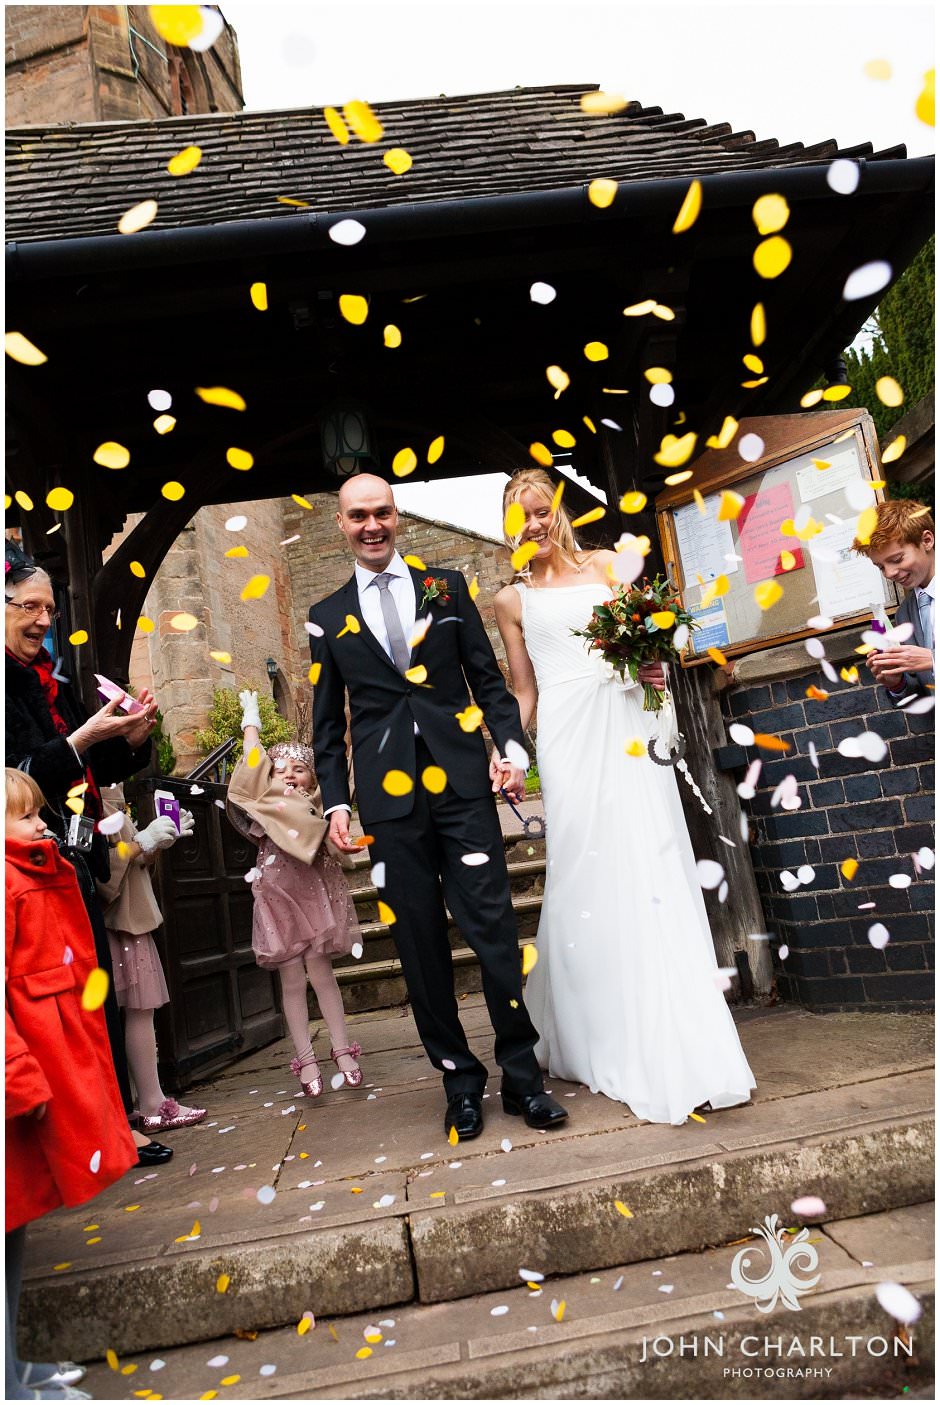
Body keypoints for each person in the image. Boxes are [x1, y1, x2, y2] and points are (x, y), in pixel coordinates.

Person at [493, 468, 756, 1125]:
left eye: (541, 511)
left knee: (650, 862)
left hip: (629, 724)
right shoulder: (512, 600)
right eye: (521, 517)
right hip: (568, 739)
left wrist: (654, 664)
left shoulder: (610, 565)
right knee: (584, 871)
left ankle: (671, 1028)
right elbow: (524, 691)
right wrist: (509, 753)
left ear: (558, 512)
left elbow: (656, 645)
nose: (533, 525)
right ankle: (594, 1026)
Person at [308, 472, 568, 1139]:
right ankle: (460, 1082)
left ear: (397, 515)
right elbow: (327, 728)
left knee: (495, 933)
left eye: (382, 512)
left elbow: (489, 681)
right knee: (419, 945)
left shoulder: (446, 588)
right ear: (341, 523)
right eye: (359, 515)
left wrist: (512, 749)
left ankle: (523, 1078)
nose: (372, 525)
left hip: (462, 790)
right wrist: (336, 804)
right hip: (389, 808)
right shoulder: (327, 615)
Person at [5, 539, 172, 1168]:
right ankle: (84, 1137)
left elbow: (90, 766)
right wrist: (80, 738)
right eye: (30, 606)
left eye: (49, 609)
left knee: (92, 999)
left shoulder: (51, 678)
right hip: (24, 871)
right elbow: (16, 780)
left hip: (75, 862)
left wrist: (130, 737)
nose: (44, 620)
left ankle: (115, 1127)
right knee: (56, 1012)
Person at [6, 767, 139, 1401]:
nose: (41, 824)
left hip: (41, 1057)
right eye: (25, 816)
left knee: (14, 1225)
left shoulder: (29, 870)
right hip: (21, 1069)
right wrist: (15, 1075)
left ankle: (10, 1364)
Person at [226, 695, 363, 1097]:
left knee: (321, 974)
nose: (289, 775)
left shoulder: (319, 807)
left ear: (313, 779)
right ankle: (305, 1057)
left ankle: (342, 1049)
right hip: (278, 897)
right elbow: (252, 769)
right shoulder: (266, 804)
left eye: (299, 770)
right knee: (290, 980)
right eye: (281, 769)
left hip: (314, 895)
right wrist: (251, 724)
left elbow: (343, 763)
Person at [96, 785, 207, 1134]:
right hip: (119, 923)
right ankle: (149, 1104)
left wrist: (157, 843)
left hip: (133, 918)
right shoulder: (90, 798)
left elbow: (134, 861)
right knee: (136, 1011)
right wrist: (141, 842)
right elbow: (100, 871)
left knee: (141, 1011)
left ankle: (148, 1100)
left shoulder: (112, 796)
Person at [853, 499, 935, 705]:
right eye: (881, 567)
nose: (889, 573)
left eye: (897, 559)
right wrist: (897, 683)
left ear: (927, 540)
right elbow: (922, 697)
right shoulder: (904, 613)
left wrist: (933, 660)